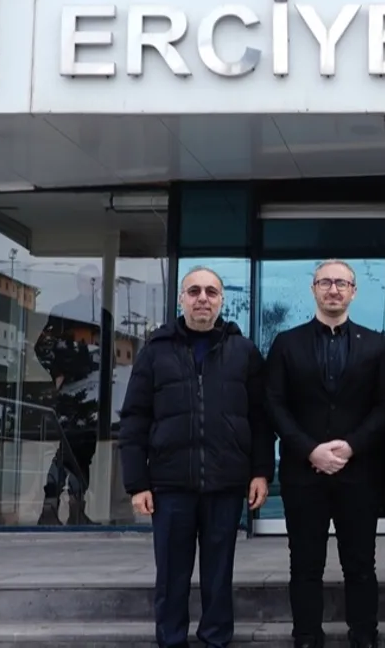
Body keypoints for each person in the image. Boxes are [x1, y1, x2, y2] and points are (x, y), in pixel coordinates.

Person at [119, 266, 274, 648]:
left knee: (219, 575)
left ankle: (215, 640)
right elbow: (135, 418)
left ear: (221, 300)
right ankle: (171, 640)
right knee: (171, 575)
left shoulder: (244, 352)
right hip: (171, 485)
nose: (202, 298)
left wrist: (260, 471)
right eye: (194, 291)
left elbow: (260, 418)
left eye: (211, 292)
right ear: (181, 299)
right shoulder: (155, 351)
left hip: (226, 482)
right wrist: (137, 483)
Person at [266, 259, 385, 648]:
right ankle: (307, 637)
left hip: (359, 474)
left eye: (342, 283)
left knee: (361, 564)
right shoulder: (286, 344)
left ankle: (364, 635)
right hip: (303, 474)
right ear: (313, 289)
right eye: (325, 282)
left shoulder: (376, 345)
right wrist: (310, 450)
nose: (333, 289)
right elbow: (275, 405)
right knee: (305, 565)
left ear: (354, 291)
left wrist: (351, 445)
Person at [33, 264, 107, 526]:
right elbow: (42, 346)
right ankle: (50, 508)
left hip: (96, 394)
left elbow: (110, 354)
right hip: (72, 394)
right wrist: (58, 373)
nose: (92, 284)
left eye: (96, 279)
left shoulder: (104, 315)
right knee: (67, 450)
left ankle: (76, 509)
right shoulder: (64, 311)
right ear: (79, 282)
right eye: (87, 280)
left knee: (85, 450)